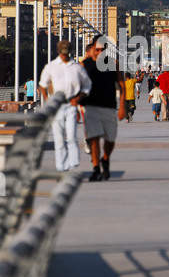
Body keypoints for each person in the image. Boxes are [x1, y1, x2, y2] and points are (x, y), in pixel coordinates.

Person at [39, 40, 92, 172]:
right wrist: (48, 101)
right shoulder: (51, 67)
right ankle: (61, 167)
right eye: (62, 53)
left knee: (72, 136)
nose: (64, 55)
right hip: (56, 106)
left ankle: (73, 165)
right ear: (58, 52)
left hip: (70, 105)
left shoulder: (77, 67)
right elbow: (42, 85)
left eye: (66, 53)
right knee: (59, 138)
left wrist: (78, 98)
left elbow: (87, 86)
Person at [81, 36, 126, 182]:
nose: (100, 52)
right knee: (93, 138)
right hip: (91, 106)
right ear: (92, 49)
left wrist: (122, 107)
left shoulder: (114, 63)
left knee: (110, 139)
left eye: (102, 50)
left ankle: (105, 159)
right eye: (97, 50)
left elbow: (122, 85)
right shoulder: (83, 65)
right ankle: (95, 168)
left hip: (109, 106)